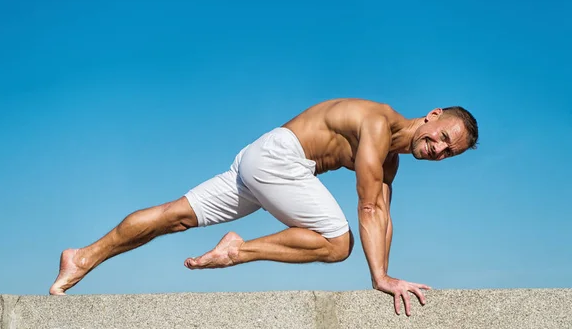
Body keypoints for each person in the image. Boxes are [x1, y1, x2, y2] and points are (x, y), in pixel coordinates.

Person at [49, 98, 478, 316]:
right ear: (433, 115)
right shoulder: (377, 125)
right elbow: (367, 209)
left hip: (267, 159)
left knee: (175, 216)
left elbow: (384, 218)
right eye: (442, 137)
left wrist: (387, 274)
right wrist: (380, 278)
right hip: (281, 160)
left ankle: (81, 257)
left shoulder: (390, 161)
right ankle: (237, 250)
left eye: (449, 153)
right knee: (336, 242)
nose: (439, 149)